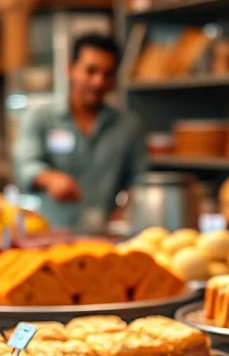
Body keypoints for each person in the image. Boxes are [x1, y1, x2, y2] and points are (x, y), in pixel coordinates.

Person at [14, 32, 147, 230]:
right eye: (91, 71)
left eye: (107, 74)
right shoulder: (40, 118)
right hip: (49, 232)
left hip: (106, 234)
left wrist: (129, 207)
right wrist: (49, 178)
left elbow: (140, 178)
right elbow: (25, 165)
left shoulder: (128, 125)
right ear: (71, 69)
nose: (98, 82)